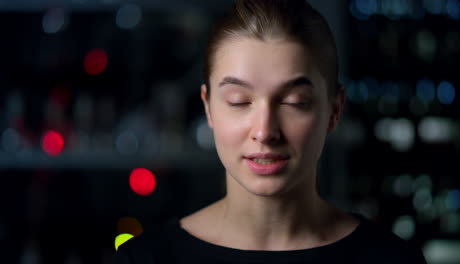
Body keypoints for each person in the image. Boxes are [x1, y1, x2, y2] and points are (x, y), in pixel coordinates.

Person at [114, 0, 427, 263]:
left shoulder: (393, 259)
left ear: (334, 110)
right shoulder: (145, 258)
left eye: (295, 102)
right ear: (209, 108)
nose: (265, 131)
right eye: (239, 101)